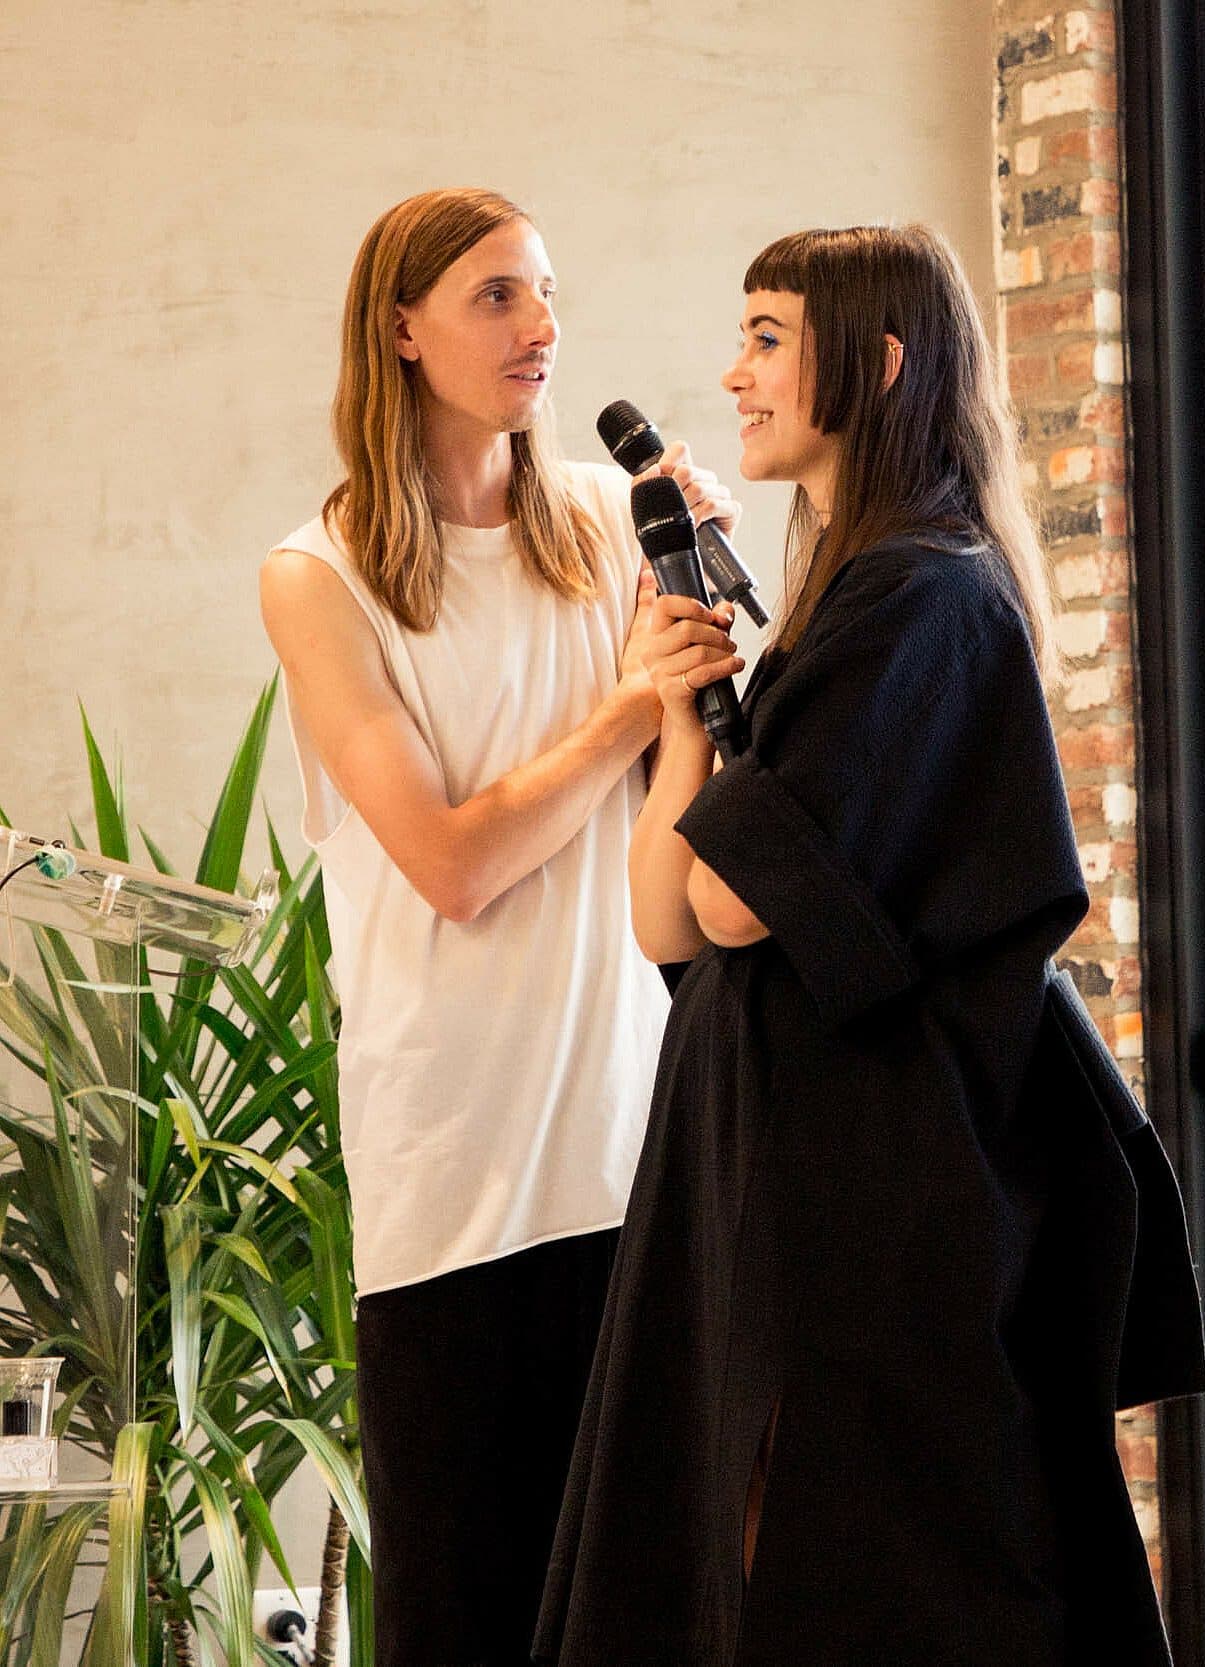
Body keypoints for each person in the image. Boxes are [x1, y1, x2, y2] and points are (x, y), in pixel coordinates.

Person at [536, 224, 1205, 1667]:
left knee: (866, 1582)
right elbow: (667, 916)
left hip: (873, 1194)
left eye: (768, 336)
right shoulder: (861, 599)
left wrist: (718, 772)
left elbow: (725, 903)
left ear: (878, 362)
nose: (734, 372)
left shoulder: (919, 595)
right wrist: (675, 705)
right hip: (793, 1171)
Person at [259, 187, 739, 1667]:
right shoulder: (320, 579)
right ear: (400, 332)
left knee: (659, 1617)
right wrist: (625, 706)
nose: (540, 327)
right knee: (466, 1618)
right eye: (496, 297)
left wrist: (702, 660)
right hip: (455, 1183)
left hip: (639, 1157)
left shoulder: (616, 523)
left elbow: (707, 793)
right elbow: (453, 864)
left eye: (546, 293)